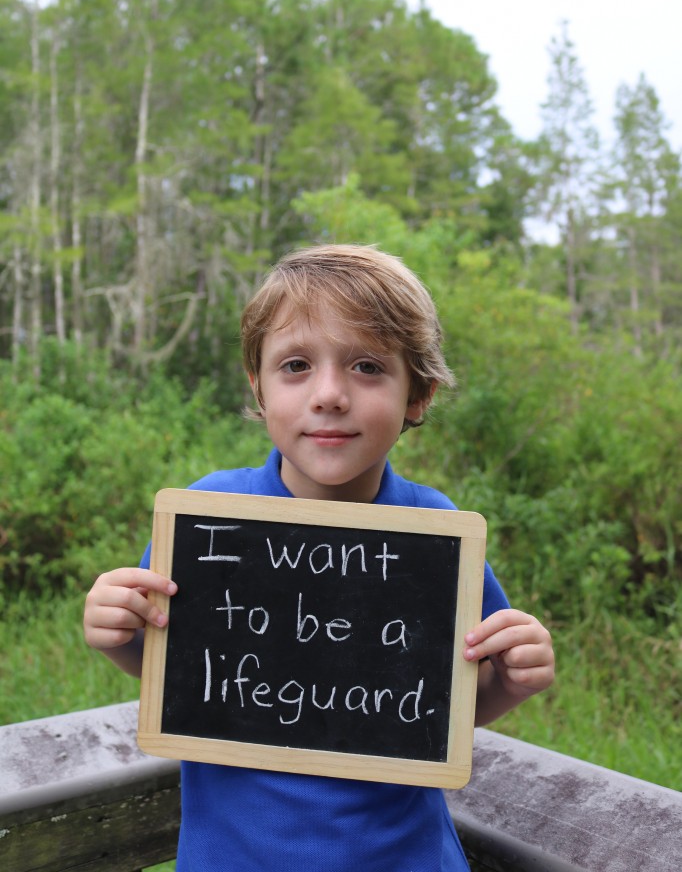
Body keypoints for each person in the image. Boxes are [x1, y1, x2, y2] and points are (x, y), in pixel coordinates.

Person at [84, 243, 554, 871]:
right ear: (258, 386)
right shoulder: (207, 515)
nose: (330, 394)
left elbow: (449, 709)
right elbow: (181, 678)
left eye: (367, 367)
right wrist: (117, 636)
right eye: (296, 365)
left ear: (418, 394)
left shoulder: (437, 533)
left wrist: (512, 678)